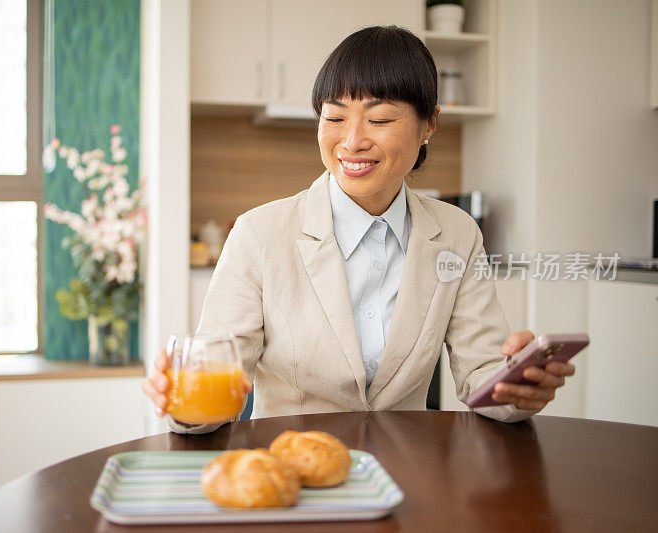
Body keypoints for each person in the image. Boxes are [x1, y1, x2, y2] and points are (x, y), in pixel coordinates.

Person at [142, 25, 575, 434]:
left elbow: (484, 378)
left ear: (429, 124)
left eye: (380, 120)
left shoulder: (457, 235)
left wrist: (521, 386)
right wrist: (184, 403)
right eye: (334, 119)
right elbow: (216, 379)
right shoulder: (260, 234)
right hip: (296, 474)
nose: (351, 141)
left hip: (407, 478)